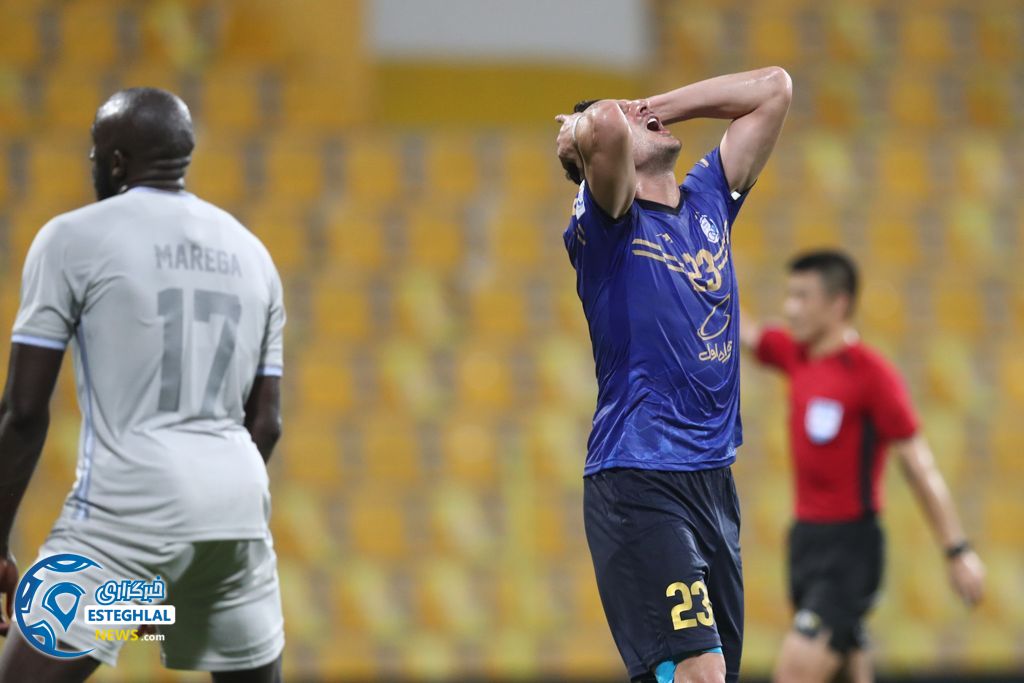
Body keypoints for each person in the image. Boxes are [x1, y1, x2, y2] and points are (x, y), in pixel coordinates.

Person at [0, 88, 286, 683]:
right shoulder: (254, 254)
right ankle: (147, 610)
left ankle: (134, 609)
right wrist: (198, 520)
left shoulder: (72, 238)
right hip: (236, 517)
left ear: (115, 162)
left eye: (94, 156)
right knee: (174, 615)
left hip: (128, 515)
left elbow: (23, 412)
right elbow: (266, 423)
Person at [554, 67, 793, 683]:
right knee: (698, 670)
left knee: (708, 674)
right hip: (640, 476)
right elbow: (606, 127)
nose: (639, 114)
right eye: (631, 113)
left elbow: (774, 89)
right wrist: (587, 128)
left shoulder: (708, 198)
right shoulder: (609, 226)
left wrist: (655, 106)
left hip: (713, 481)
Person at [739, 250, 986, 683]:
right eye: (789, 296)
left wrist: (957, 550)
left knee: (796, 670)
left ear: (838, 304)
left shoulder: (872, 375)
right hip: (805, 542)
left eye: (802, 297)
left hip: (849, 547)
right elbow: (745, 332)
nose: (790, 308)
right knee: (847, 669)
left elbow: (919, 467)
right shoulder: (796, 355)